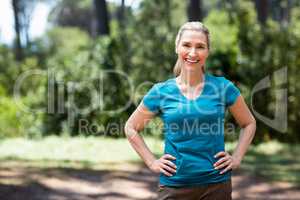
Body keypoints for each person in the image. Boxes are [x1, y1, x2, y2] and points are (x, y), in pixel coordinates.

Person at [124, 21, 256, 200]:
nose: (193, 53)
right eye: (187, 45)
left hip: (216, 185)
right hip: (174, 186)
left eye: (200, 46)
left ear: (207, 52)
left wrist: (237, 158)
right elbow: (131, 127)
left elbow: (248, 123)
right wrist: (152, 162)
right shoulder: (161, 91)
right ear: (177, 47)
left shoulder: (223, 87)